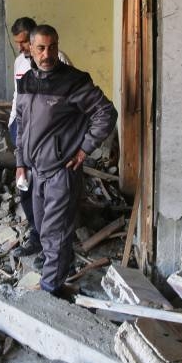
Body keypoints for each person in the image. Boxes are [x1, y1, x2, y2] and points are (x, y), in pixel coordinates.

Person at [14, 25, 117, 297]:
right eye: (41, 48)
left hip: (61, 171)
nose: (48, 54)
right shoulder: (25, 82)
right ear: (30, 49)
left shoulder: (74, 81)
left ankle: (51, 291)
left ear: (58, 47)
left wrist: (84, 150)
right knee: (42, 228)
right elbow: (23, 126)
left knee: (54, 233)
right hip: (36, 171)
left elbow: (106, 112)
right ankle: (59, 270)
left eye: (53, 47)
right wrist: (20, 162)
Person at [7, 17, 70, 260]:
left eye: (24, 42)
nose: (21, 47)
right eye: (19, 43)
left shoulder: (59, 60)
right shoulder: (18, 63)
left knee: (48, 191)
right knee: (25, 185)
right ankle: (37, 235)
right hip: (24, 131)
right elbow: (18, 97)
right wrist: (13, 124)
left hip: (51, 138)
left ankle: (52, 244)